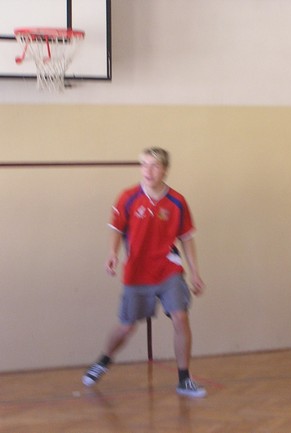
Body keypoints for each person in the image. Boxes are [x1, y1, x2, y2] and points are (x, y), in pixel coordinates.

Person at [82, 147, 207, 398]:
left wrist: (195, 272)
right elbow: (116, 229)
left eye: (154, 165)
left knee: (181, 318)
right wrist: (113, 254)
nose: (148, 171)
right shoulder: (128, 197)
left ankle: (184, 379)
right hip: (137, 274)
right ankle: (103, 361)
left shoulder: (177, 202)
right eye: (144, 164)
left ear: (165, 170)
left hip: (169, 270)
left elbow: (186, 238)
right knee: (126, 327)